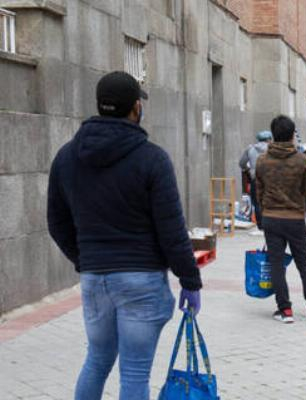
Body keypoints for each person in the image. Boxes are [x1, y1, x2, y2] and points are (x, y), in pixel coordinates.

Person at [47, 71, 202, 399]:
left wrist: (87, 259)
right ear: (135, 108)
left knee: (97, 359)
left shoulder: (66, 157)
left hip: (94, 279)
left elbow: (56, 222)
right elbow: (171, 229)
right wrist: (190, 280)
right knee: (134, 373)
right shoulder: (152, 158)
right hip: (140, 280)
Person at [256, 115, 306, 323]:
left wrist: (264, 215)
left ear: (274, 134)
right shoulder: (302, 160)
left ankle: (285, 311)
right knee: (304, 263)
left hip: (271, 218)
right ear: (292, 135)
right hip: (295, 219)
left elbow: (259, 193)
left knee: (276, 264)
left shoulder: (262, 161)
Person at [239, 130, 272, 227]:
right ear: (269, 139)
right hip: (270, 179)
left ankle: (260, 225)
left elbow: (241, 163)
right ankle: (269, 223)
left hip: (255, 179)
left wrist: (248, 169)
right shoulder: (272, 149)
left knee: (257, 203)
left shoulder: (250, 148)